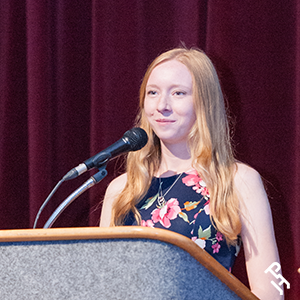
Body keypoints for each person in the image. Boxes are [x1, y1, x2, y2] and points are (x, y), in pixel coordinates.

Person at [100, 47, 283, 299]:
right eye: (153, 93)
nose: (162, 105)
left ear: (204, 103)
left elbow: (271, 289)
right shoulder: (122, 190)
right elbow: (104, 286)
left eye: (178, 93)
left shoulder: (237, 181)